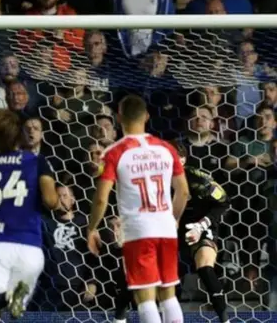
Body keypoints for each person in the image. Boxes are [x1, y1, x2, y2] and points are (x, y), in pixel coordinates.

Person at [86, 94, 190, 323]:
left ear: (118, 117)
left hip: (138, 231)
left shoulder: (115, 153)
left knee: (145, 298)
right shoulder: (166, 148)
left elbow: (101, 198)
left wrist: (92, 228)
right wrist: (173, 219)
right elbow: (183, 192)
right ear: (147, 116)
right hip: (165, 228)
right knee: (168, 295)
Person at [112, 139, 231, 323]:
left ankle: (225, 319)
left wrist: (203, 224)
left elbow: (223, 202)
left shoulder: (199, 180)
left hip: (197, 226)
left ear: (182, 160)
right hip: (165, 229)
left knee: (206, 267)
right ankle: (119, 317)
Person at [0, 109, 60, 323]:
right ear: (19, 135)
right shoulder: (36, 161)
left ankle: (1, 299)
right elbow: (52, 202)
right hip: (31, 251)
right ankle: (7, 298)